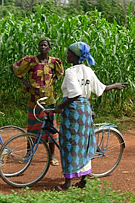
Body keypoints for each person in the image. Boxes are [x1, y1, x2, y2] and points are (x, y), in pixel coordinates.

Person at [54, 42, 127, 191]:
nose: (67, 55)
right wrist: (114, 85)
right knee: (84, 143)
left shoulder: (70, 72)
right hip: (85, 110)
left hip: (73, 111)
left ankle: (67, 183)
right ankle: (83, 181)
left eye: (69, 53)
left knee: (69, 145)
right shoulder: (88, 70)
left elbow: (74, 94)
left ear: (75, 56)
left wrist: (59, 107)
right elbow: (101, 88)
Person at [10, 37, 64, 166]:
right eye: (41, 45)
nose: (43, 47)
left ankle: (52, 156)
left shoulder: (54, 62)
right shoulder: (31, 61)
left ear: (49, 48)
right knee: (32, 128)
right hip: (34, 100)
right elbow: (14, 68)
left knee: (51, 128)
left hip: (49, 100)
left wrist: (52, 83)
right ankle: (29, 154)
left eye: (45, 45)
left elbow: (60, 73)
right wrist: (25, 82)